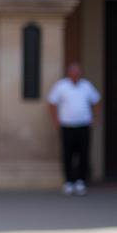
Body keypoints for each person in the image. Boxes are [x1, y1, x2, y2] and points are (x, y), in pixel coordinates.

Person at [47, 61, 101, 195]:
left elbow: (96, 101)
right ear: (69, 72)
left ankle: (81, 181)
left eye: (78, 71)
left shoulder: (86, 86)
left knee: (83, 153)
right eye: (73, 71)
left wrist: (95, 118)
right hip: (67, 125)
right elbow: (52, 103)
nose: (76, 74)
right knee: (67, 154)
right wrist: (56, 120)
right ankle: (69, 181)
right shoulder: (61, 86)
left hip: (83, 125)